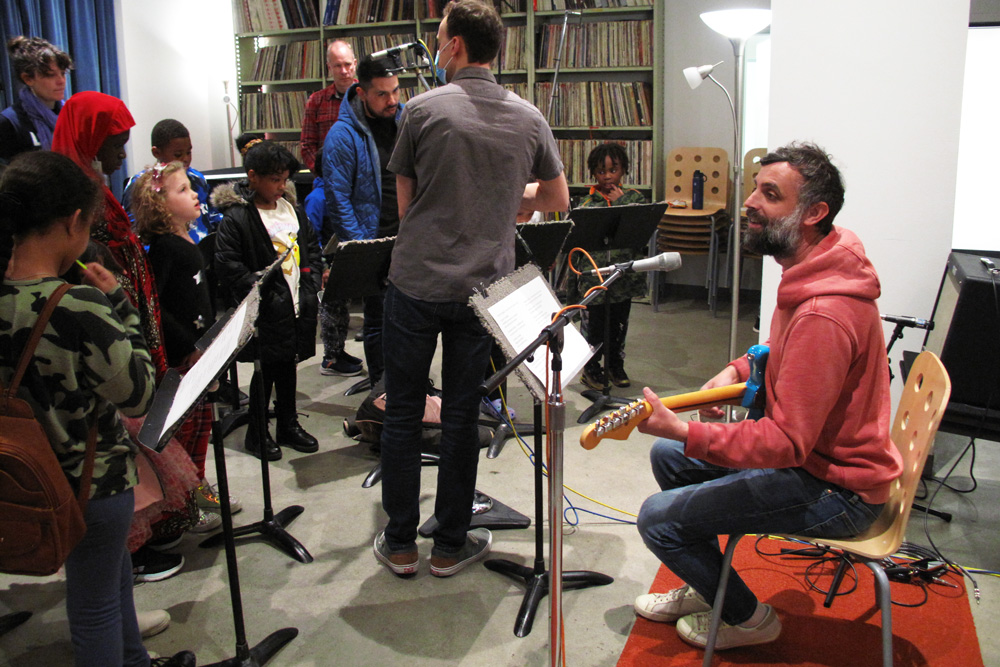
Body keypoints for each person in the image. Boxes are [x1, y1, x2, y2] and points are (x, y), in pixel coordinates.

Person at [631, 142, 902, 652]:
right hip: (816, 465)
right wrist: (737, 369)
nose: (750, 202)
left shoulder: (824, 311)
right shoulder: (818, 266)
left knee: (657, 519)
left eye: (770, 194)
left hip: (836, 489)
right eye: (756, 189)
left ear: (813, 213)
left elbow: (785, 443)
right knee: (669, 456)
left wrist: (686, 429)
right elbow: (786, 352)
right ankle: (711, 586)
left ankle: (749, 619)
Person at [374, 0, 569, 578]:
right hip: (483, 290)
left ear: (455, 45)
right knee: (462, 416)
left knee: (404, 412)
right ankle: (450, 545)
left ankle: (401, 543)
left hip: (416, 284)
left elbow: (407, 209)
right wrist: (510, 197)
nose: (437, 48)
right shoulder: (529, 118)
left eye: (439, 39)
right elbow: (556, 199)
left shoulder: (421, 110)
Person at [0, 151, 195, 667]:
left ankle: (134, 659)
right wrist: (120, 305)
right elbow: (138, 393)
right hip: (92, 480)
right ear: (72, 222)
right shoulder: (77, 305)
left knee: (110, 581)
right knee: (95, 607)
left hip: (25, 474)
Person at [131, 160, 243, 529]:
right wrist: (189, 346)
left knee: (201, 433)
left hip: (200, 354)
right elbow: (156, 307)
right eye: (182, 190)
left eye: (191, 188)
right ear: (159, 205)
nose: (195, 194)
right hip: (183, 360)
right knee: (185, 437)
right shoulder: (164, 248)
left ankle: (199, 496)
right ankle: (185, 509)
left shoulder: (188, 239)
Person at [212, 141, 323, 461]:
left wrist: (310, 282)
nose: (281, 186)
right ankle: (257, 431)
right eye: (275, 179)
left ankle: (288, 423)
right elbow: (228, 264)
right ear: (253, 177)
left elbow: (311, 249)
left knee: (288, 365)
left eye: (285, 179)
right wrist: (264, 291)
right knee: (266, 371)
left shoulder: (292, 210)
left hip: (297, 303)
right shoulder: (238, 217)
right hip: (265, 309)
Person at [51, 90, 169, 381]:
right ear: (89, 142)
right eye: (116, 145)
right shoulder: (71, 199)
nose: (122, 154)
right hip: (109, 318)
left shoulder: (97, 189)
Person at [323, 54, 403, 384]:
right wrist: (362, 248)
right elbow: (338, 199)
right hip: (373, 241)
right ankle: (381, 390)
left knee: (407, 319)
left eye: (395, 90)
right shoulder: (342, 135)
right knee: (378, 319)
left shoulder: (405, 120)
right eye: (382, 94)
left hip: (407, 239)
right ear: (361, 92)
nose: (392, 100)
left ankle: (405, 384)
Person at [571, 142, 647, 390]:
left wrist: (621, 202)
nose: (607, 176)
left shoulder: (634, 199)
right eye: (601, 171)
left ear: (623, 170)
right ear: (594, 173)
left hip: (623, 280)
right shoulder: (586, 204)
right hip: (595, 280)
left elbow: (642, 227)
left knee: (619, 325)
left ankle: (615, 365)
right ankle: (591, 369)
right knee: (593, 327)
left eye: (613, 170)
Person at [123, 119, 223, 244]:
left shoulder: (197, 178)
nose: (186, 158)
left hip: (202, 248)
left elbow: (211, 216)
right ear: (157, 152)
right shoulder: (143, 184)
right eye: (178, 154)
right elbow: (135, 231)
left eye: (188, 152)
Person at [0, 37, 71, 162]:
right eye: (50, 75)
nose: (61, 81)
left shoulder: (71, 115)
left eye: (63, 73)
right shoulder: (9, 122)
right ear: (28, 79)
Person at [300, 40, 357, 174]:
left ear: (355, 64)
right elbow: (307, 145)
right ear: (329, 67)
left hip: (364, 177)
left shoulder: (369, 97)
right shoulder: (316, 101)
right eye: (337, 66)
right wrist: (323, 172)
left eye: (347, 64)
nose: (344, 71)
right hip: (329, 176)